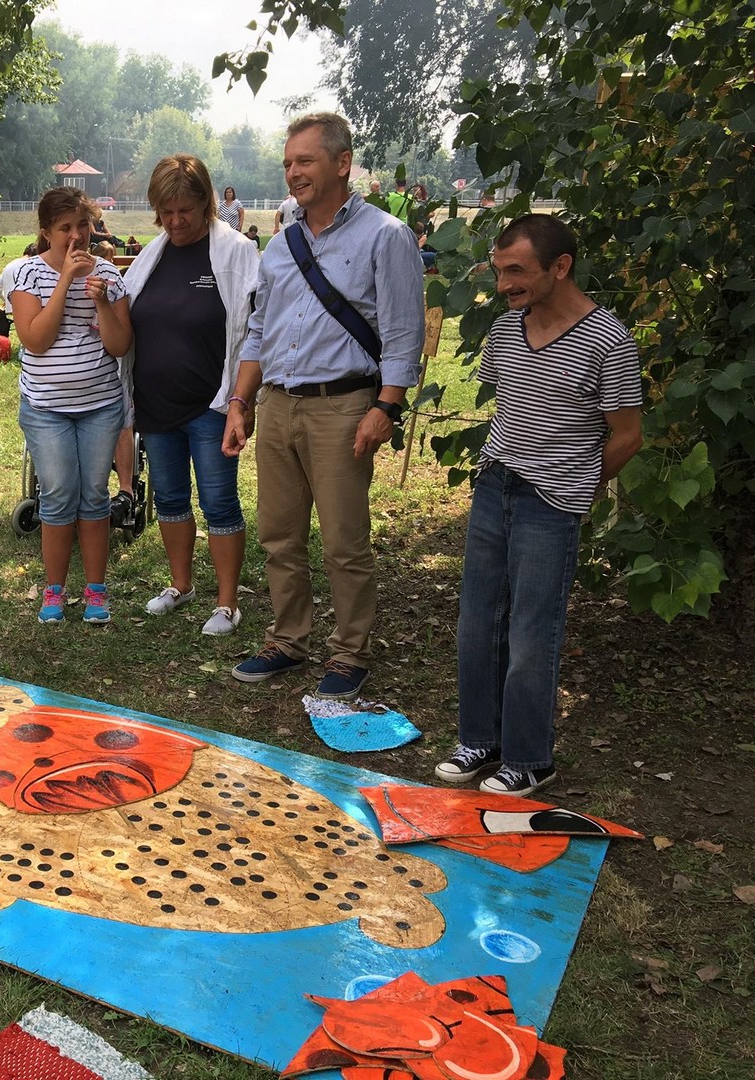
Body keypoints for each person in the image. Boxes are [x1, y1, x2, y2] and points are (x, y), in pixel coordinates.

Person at [435, 215, 643, 796]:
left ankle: (530, 759)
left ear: (561, 267)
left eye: (517, 271)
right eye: (500, 271)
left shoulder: (608, 341)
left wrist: (578, 486)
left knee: (531, 633)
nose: (504, 285)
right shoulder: (506, 329)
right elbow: (512, 408)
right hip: (494, 487)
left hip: (551, 504)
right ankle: (480, 740)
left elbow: (627, 435)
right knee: (476, 623)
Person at [222, 112, 425, 699]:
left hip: (343, 405)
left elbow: (404, 333)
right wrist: (240, 400)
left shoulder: (385, 235)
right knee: (278, 535)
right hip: (277, 404)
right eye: (288, 163)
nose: (293, 172)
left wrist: (386, 407)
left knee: (343, 540)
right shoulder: (281, 244)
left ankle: (350, 652)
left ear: (342, 163)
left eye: (305, 160)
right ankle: (288, 640)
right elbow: (259, 331)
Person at [125, 155, 259, 637]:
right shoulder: (150, 256)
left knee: (219, 501)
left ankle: (227, 603)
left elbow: (253, 332)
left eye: (185, 210)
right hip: (157, 405)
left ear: (206, 203)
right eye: (166, 211)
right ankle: (181, 585)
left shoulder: (237, 253)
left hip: (212, 405)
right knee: (170, 498)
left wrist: (242, 401)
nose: (176, 221)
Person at [10, 186, 132, 625]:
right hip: (46, 408)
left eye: (84, 225)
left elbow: (120, 345)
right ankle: (54, 591)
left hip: (100, 405)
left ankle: (96, 591)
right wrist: (65, 280)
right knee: (58, 495)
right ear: (46, 232)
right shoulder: (27, 274)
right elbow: (35, 340)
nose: (77, 236)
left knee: (94, 496)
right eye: (65, 228)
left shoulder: (109, 275)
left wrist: (101, 300)